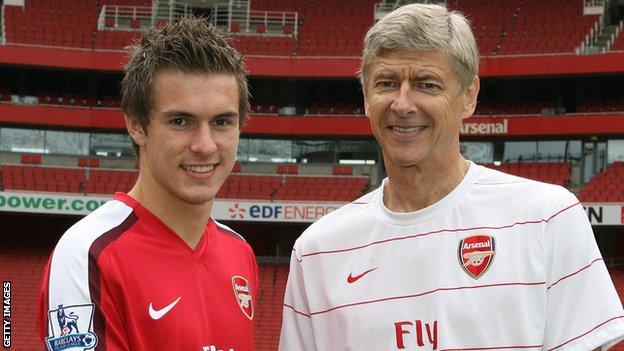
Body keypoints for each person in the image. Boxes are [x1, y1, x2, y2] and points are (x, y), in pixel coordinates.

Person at [279, 4, 624, 350]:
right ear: (367, 98)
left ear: (469, 96)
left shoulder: (546, 217)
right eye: (386, 83)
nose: (402, 104)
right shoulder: (317, 251)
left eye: (426, 85)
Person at [37, 17, 258, 351]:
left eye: (222, 122)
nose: (205, 145)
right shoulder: (89, 254)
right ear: (137, 125)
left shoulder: (240, 251)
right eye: (181, 121)